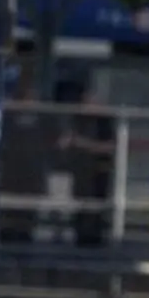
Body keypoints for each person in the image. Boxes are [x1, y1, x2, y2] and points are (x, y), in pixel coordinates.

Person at [59, 86, 115, 247]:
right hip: (80, 171)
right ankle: (80, 236)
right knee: (81, 207)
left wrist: (83, 143)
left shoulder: (104, 122)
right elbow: (66, 141)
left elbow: (109, 146)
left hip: (99, 170)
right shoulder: (77, 120)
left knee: (96, 207)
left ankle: (95, 238)